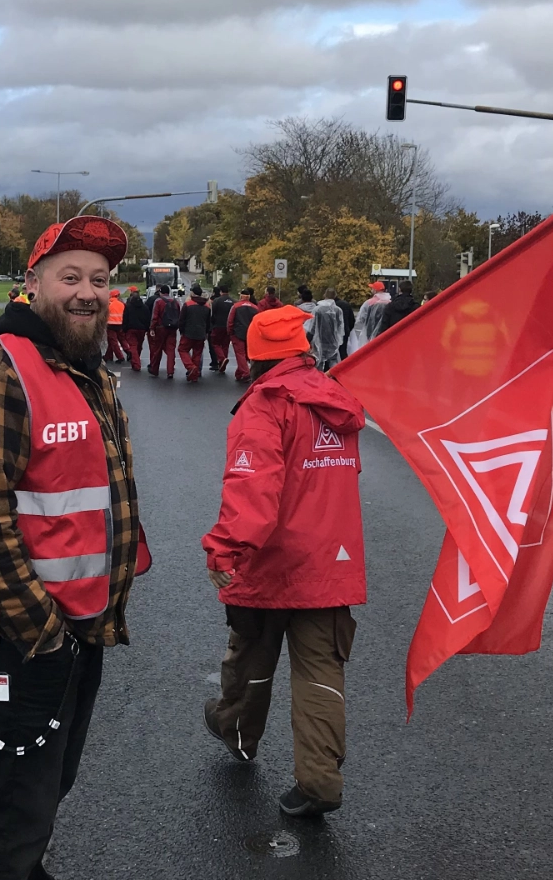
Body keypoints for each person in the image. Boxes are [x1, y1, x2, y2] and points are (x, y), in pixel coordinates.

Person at [0, 215, 149, 880]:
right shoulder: (0, 371)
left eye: (99, 278)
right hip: (25, 641)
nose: (88, 291)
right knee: (13, 813)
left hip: (79, 632)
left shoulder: (88, 373)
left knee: (46, 789)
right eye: (71, 276)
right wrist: (48, 631)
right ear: (32, 284)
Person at [202, 305, 365, 818]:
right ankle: (319, 781)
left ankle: (235, 730)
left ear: (255, 355)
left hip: (272, 561)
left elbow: (254, 487)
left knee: (251, 657)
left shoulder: (265, 405)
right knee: (320, 673)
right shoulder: (337, 400)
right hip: (330, 561)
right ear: (302, 349)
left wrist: (225, 548)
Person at [178, 285, 212, 382]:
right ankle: (194, 375)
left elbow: (182, 320)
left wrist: (181, 331)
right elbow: (208, 322)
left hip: (188, 333)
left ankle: (190, 367)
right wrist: (206, 333)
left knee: (182, 350)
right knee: (197, 353)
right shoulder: (207, 307)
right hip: (201, 334)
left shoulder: (188, 305)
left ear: (192, 293)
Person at [148, 284, 181, 378]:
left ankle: (155, 369)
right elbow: (179, 314)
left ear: (161, 292)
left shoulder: (158, 301)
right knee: (171, 350)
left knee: (157, 349)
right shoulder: (176, 301)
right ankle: (170, 371)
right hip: (172, 329)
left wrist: (152, 328)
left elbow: (154, 316)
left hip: (160, 327)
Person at [347, 281, 389, 354]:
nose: (371, 290)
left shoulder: (369, 302)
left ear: (375, 291)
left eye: (372, 288)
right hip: (385, 332)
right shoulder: (389, 302)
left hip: (369, 333)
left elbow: (361, 318)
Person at [308, 288, 344, 371]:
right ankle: (334, 377)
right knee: (333, 360)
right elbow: (340, 327)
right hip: (333, 340)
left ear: (325, 295)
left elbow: (313, 327)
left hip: (320, 340)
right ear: (335, 296)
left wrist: (308, 339)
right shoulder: (338, 310)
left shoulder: (318, 309)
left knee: (319, 360)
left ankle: (320, 379)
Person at [228, 288, 260, 382]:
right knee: (246, 354)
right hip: (250, 334)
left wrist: (230, 332)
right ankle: (239, 373)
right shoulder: (255, 308)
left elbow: (230, 320)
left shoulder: (235, 306)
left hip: (238, 333)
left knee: (240, 354)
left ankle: (246, 373)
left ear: (241, 296)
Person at [121, 286, 149, 372]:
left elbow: (125, 318)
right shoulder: (145, 307)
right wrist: (146, 328)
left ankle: (136, 364)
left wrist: (124, 329)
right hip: (141, 330)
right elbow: (147, 318)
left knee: (133, 346)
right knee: (139, 346)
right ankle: (135, 359)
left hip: (131, 329)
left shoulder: (128, 307)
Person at [208, 284, 234, 374]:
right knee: (225, 345)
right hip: (228, 326)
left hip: (218, 325)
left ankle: (222, 359)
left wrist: (212, 324)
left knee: (215, 343)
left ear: (220, 292)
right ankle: (223, 364)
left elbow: (213, 314)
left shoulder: (216, 301)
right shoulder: (233, 302)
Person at [105, 288, 125, 362]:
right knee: (113, 341)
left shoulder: (108, 304)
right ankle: (108, 356)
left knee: (113, 341)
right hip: (119, 324)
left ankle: (120, 357)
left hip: (110, 325)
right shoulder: (121, 304)